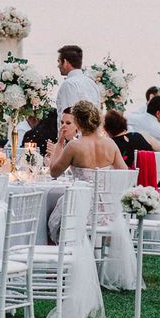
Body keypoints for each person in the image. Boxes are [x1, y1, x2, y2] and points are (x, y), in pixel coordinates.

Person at [45, 101, 125, 238]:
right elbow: (124, 173)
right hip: (106, 210)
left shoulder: (74, 146)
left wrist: (59, 143)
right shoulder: (110, 144)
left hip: (79, 209)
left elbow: (54, 172)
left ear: (78, 122)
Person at [53, 45, 101, 120]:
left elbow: (69, 117)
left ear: (65, 62)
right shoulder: (92, 83)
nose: (58, 66)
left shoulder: (68, 84)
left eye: (59, 61)